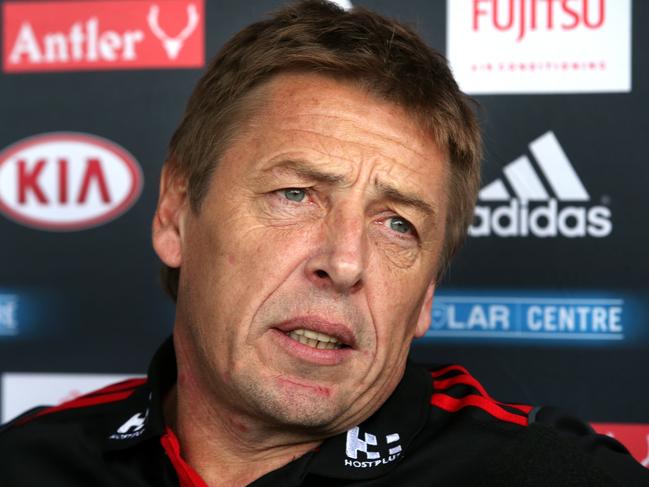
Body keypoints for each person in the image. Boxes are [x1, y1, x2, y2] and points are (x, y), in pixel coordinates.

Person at [1, 1, 648, 486]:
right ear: (175, 213)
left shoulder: (550, 474)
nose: (344, 262)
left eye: (398, 223)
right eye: (296, 193)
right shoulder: (26, 462)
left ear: (425, 295)